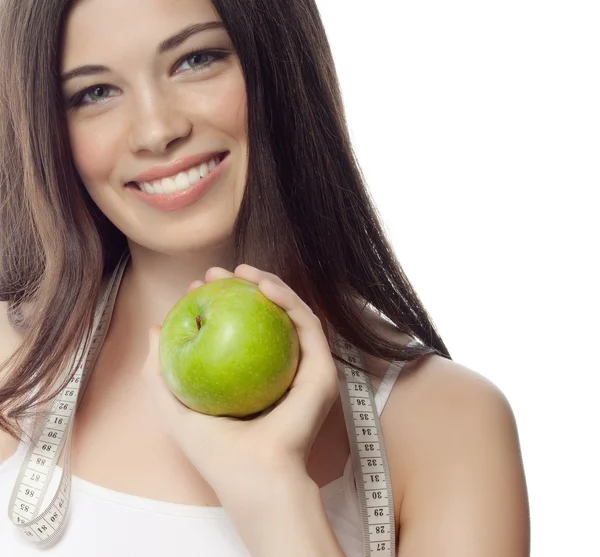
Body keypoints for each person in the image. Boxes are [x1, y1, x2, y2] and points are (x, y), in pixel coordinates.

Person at [0, 0, 530, 555]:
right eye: (94, 93)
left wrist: (274, 496)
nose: (157, 131)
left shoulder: (452, 427)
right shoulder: (11, 377)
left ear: (278, 61)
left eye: (196, 58)